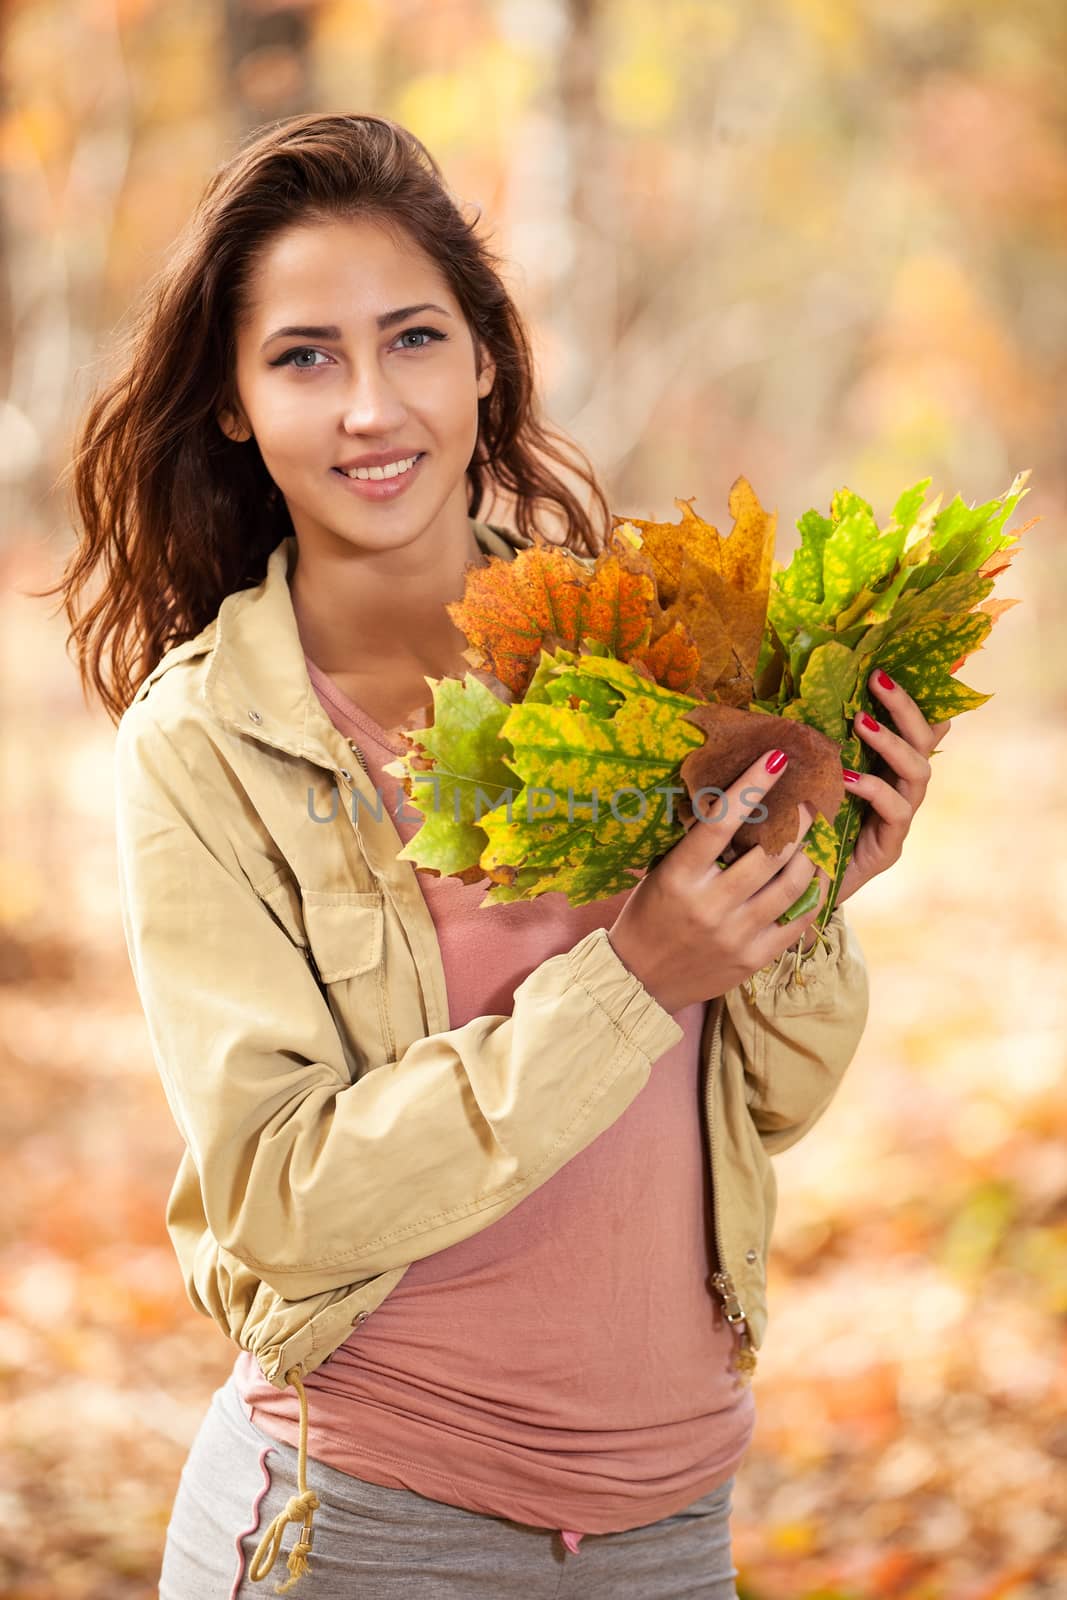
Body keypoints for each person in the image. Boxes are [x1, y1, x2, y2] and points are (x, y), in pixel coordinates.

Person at [42, 112, 948, 1599]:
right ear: (231, 404)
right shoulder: (209, 745)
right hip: (370, 1525)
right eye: (304, 357)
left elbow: (768, 1104)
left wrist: (817, 880)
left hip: (672, 1528)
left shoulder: (638, 653)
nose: (369, 408)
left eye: (411, 339)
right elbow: (280, 1187)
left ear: (484, 363)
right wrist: (635, 975)